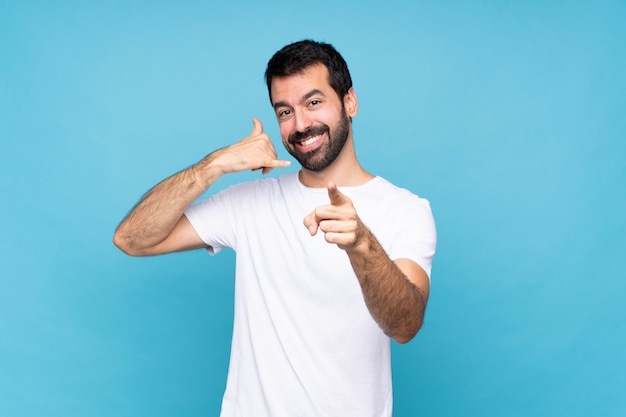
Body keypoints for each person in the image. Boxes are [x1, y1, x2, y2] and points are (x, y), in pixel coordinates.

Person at [114, 39, 436, 417]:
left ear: (350, 102)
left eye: (314, 102)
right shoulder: (248, 203)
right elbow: (131, 239)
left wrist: (362, 245)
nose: (300, 125)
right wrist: (213, 166)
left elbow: (405, 327)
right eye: (285, 111)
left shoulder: (405, 210)